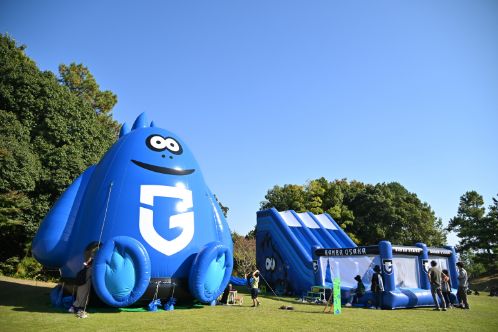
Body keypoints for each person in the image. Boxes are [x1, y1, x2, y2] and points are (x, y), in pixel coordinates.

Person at [69, 244, 98, 317]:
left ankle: (74, 307)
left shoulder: (85, 265)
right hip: (84, 282)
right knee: (83, 295)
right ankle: (79, 309)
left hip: (81, 281)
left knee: (80, 294)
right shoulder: (89, 267)